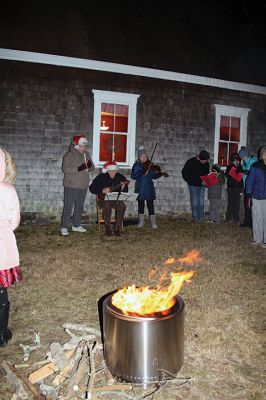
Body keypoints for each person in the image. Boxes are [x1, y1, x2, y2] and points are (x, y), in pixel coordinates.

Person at [0, 146, 22, 347]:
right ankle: (1, 333)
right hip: (2, 244)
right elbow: (15, 220)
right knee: (1, 292)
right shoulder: (8, 190)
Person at [61, 135, 94, 236]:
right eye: (82, 146)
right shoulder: (69, 155)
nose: (84, 148)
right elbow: (65, 169)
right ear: (76, 145)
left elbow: (92, 167)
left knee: (79, 207)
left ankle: (76, 225)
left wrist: (89, 167)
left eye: (85, 146)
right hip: (71, 185)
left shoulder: (86, 154)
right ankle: (64, 227)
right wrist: (80, 168)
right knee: (68, 207)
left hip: (83, 185)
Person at [131, 147, 168, 229]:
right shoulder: (136, 165)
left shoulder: (150, 165)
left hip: (149, 187)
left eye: (145, 156)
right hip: (140, 187)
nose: (144, 158)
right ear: (139, 158)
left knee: (150, 205)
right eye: (142, 157)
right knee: (141, 205)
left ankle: (153, 222)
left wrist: (160, 173)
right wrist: (143, 171)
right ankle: (141, 222)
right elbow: (133, 176)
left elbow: (153, 176)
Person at [89, 161, 129, 236]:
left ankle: (117, 227)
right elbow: (91, 188)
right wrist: (102, 190)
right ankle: (108, 226)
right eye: (111, 170)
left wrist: (123, 188)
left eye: (115, 170)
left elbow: (126, 191)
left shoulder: (120, 177)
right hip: (103, 199)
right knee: (107, 205)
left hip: (115, 200)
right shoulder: (101, 177)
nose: (113, 172)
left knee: (122, 206)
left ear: (117, 170)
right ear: (107, 170)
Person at [245, 145, 266, 248]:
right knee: (257, 218)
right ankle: (258, 240)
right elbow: (250, 181)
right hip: (256, 196)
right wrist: (248, 195)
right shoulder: (255, 166)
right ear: (263, 155)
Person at [182, 150, 210, 221]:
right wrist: (189, 181)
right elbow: (184, 172)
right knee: (194, 201)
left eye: (207, 160)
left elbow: (206, 173)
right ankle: (195, 218)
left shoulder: (206, 163)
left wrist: (205, 181)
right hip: (193, 185)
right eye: (205, 160)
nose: (206, 162)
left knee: (201, 202)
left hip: (202, 185)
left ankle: (201, 217)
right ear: (200, 158)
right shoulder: (191, 162)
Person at [238, 146, 257, 227]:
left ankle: (252, 223)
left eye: (243, 156)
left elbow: (252, 173)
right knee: (247, 206)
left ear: (246, 155)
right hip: (247, 188)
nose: (242, 158)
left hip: (253, 188)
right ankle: (247, 222)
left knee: (251, 206)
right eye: (241, 157)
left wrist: (242, 171)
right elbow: (243, 177)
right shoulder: (243, 164)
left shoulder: (253, 161)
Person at [225, 153, 243, 224]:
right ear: (232, 160)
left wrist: (239, 171)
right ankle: (228, 219)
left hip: (238, 188)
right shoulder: (229, 166)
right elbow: (227, 175)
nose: (236, 161)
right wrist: (231, 172)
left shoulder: (240, 167)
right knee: (230, 203)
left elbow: (241, 177)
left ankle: (236, 219)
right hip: (231, 188)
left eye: (237, 160)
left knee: (237, 204)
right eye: (234, 160)